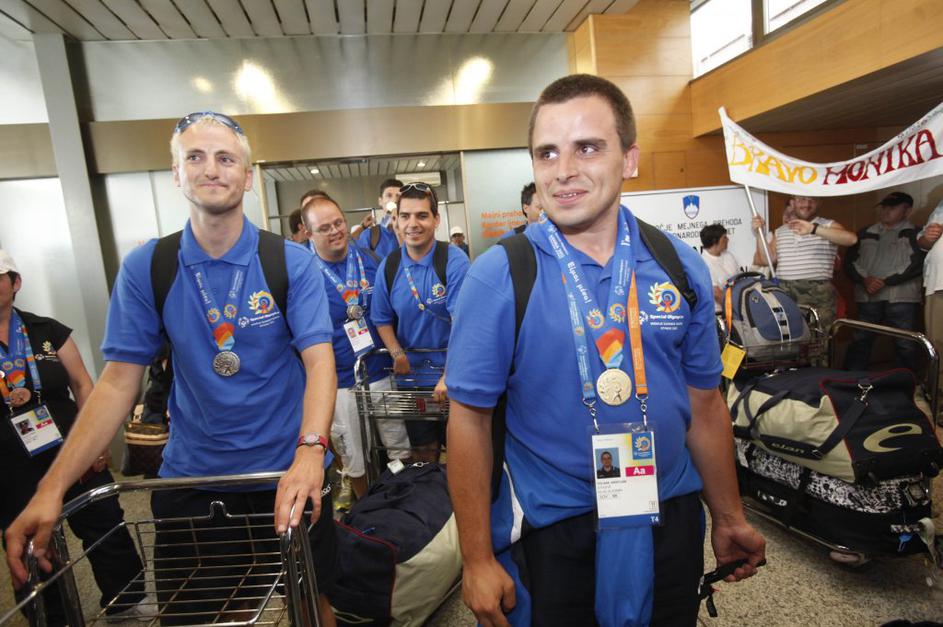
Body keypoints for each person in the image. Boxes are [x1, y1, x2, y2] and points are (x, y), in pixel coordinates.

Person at [445, 74, 764, 626]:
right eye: (547, 153)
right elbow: (469, 419)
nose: (563, 170)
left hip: (668, 512)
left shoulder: (677, 266)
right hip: (554, 525)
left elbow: (705, 404)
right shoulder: (500, 275)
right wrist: (475, 559)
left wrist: (729, 515)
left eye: (587, 147)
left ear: (629, 159)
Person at [4, 112, 340, 626]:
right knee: (201, 615)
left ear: (248, 176)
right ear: (176, 173)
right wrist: (51, 489)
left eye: (226, 158)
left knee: (310, 603)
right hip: (193, 481)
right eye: (195, 157)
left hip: (286, 472)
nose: (212, 169)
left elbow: (319, 362)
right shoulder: (149, 268)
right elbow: (118, 382)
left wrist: (311, 451)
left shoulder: (290, 263)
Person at [0, 250, 146, 625]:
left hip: (70, 449)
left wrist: (96, 444)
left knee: (105, 523)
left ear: (15, 283)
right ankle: (52, 617)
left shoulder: (47, 331)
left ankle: (126, 602)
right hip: (11, 464)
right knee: (31, 544)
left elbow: (83, 385)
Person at [301, 195, 411, 507]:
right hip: (338, 380)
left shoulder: (371, 259)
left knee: (398, 445)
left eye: (338, 223)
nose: (336, 231)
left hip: (381, 370)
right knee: (354, 455)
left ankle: (405, 500)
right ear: (308, 233)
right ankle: (367, 510)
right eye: (325, 228)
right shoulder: (303, 273)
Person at [371, 183, 470, 463]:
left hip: (454, 374)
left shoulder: (453, 260)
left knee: (462, 451)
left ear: (436, 220)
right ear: (396, 221)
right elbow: (381, 318)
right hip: (412, 379)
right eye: (405, 216)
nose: (412, 224)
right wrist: (396, 353)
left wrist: (449, 374)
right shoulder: (389, 266)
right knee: (424, 452)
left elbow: (463, 323)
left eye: (422, 216)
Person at [844, 192, 925, 371]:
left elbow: (917, 263)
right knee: (861, 339)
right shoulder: (864, 233)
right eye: (884, 207)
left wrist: (885, 280)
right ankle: (850, 380)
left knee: (906, 344)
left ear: (907, 210)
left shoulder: (917, 233)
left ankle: (908, 383)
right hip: (868, 297)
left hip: (902, 298)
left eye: (893, 207)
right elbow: (849, 262)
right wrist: (865, 280)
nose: (886, 211)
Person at [752, 195, 857, 331]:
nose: (807, 204)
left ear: (819, 202)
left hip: (818, 294)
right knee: (789, 336)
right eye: (801, 199)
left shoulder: (828, 225)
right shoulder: (780, 231)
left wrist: (813, 229)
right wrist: (759, 233)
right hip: (785, 292)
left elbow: (851, 239)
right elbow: (766, 260)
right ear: (793, 202)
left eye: (812, 200)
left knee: (819, 338)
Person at [917, 197, 943, 400]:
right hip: (937, 281)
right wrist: (928, 237)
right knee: (937, 342)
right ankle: (939, 396)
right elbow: (923, 242)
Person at [353, 178, 403, 258]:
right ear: (380, 201)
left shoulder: (411, 231)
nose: (394, 200)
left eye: (398, 196)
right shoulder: (369, 235)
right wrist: (362, 227)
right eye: (389, 195)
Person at [700, 223, 741, 312]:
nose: (728, 240)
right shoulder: (703, 263)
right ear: (714, 241)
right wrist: (738, 309)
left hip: (737, 304)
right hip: (719, 312)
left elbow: (740, 280)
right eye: (724, 238)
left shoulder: (728, 255)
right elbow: (717, 294)